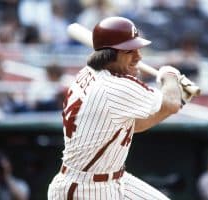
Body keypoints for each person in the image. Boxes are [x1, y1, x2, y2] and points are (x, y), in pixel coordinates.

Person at [48, 16, 188, 200]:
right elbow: (171, 103)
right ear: (110, 55)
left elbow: (135, 125)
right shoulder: (115, 87)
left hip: (112, 179)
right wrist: (170, 74)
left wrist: (178, 96)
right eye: (130, 51)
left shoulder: (89, 72)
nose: (138, 57)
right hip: (84, 190)